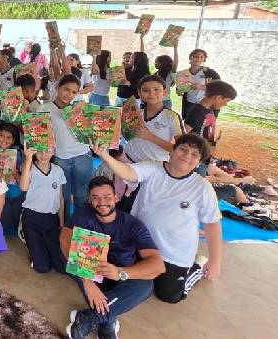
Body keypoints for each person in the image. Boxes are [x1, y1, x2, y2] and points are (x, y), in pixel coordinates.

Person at [91, 134, 223, 304]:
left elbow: (212, 224)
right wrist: (104, 155)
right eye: (183, 149)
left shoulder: (203, 187)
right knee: (115, 278)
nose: (187, 156)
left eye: (194, 154)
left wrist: (215, 262)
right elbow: (128, 172)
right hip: (140, 244)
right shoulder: (153, 168)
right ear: (172, 151)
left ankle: (195, 267)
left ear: (199, 163)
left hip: (174, 253)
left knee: (169, 296)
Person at [62, 177, 165, 339]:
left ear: (116, 197)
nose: (102, 202)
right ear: (90, 200)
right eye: (95, 197)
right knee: (73, 261)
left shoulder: (133, 225)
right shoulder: (83, 215)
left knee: (146, 285)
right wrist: (88, 283)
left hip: (120, 274)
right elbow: (64, 240)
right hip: (91, 271)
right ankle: (107, 324)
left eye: (107, 197)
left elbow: (158, 265)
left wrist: (120, 272)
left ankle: (91, 317)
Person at [36, 74, 93, 219]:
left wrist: (83, 119)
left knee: (81, 194)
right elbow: (40, 135)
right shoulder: (44, 108)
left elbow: (90, 133)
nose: (69, 95)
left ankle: (82, 224)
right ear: (58, 87)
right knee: (63, 195)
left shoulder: (79, 108)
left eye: (74, 92)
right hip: (60, 158)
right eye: (66, 89)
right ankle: (65, 225)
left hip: (82, 156)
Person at [18, 146, 66, 272]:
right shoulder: (29, 168)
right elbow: (23, 188)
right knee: (43, 267)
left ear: (54, 151)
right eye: (39, 151)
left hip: (51, 220)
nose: (44, 155)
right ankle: (29, 244)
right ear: (34, 151)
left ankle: (40, 246)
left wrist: (62, 225)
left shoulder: (58, 170)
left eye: (48, 151)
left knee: (62, 267)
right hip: (32, 219)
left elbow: (60, 198)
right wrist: (28, 160)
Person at [124, 75, 184, 163]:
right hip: (129, 160)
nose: (151, 94)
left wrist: (150, 136)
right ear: (139, 94)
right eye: (145, 90)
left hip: (156, 165)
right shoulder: (134, 113)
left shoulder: (171, 117)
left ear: (165, 92)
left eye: (156, 89)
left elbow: (181, 149)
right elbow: (127, 136)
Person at [0, 123, 23, 234]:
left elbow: (23, 181)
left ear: (13, 140)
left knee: (16, 222)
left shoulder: (18, 154)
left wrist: (15, 172)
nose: (4, 140)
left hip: (15, 194)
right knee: (3, 223)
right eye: (1, 135)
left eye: (9, 137)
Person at [184, 80, 237, 147]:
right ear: (218, 98)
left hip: (206, 148)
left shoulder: (212, 108)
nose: (226, 104)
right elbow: (184, 132)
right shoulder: (198, 112)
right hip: (198, 150)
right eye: (227, 101)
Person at [179, 49, 221, 119]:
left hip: (204, 104)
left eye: (201, 57)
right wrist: (180, 89)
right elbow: (180, 88)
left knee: (203, 124)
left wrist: (201, 87)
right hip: (189, 103)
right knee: (189, 123)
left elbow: (219, 87)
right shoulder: (183, 73)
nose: (198, 59)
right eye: (196, 56)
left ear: (204, 59)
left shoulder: (208, 72)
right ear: (191, 57)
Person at [153, 39, 179, 108]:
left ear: (162, 63)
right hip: (155, 101)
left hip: (166, 102)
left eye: (156, 62)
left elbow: (175, 64)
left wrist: (175, 48)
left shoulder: (170, 74)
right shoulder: (155, 74)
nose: (154, 64)